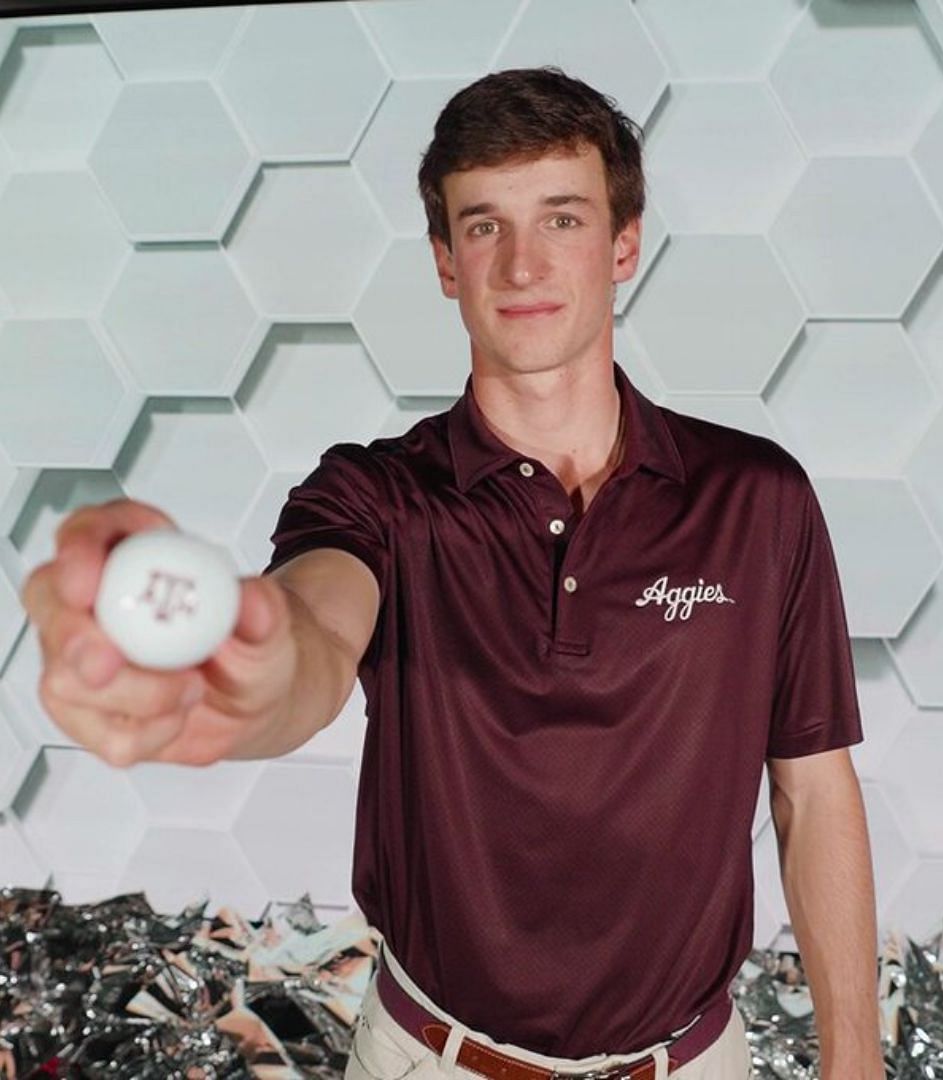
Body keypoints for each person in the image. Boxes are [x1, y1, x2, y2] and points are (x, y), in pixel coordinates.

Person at [21, 68, 884, 1080]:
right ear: (444, 260)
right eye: (484, 226)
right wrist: (246, 674)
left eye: (561, 218)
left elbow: (816, 790)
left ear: (623, 245)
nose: (522, 263)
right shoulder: (377, 497)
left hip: (694, 1062)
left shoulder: (757, 498)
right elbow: (314, 634)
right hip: (432, 1060)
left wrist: (856, 1059)